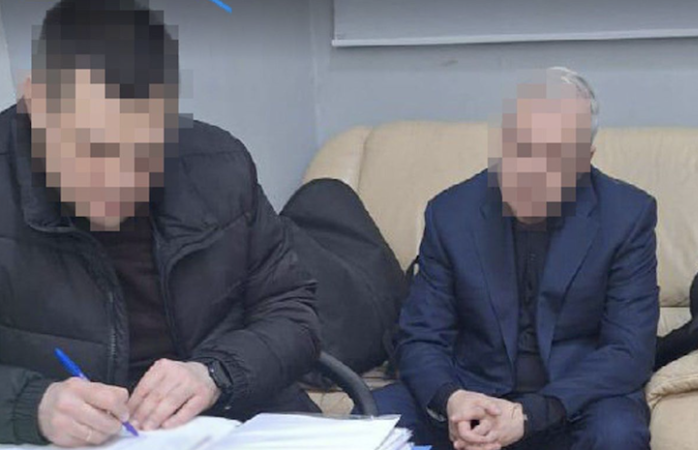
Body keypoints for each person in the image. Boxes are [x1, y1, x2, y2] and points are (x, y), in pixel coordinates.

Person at [0, 0, 320, 446]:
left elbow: (293, 314)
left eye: (145, 152)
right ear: (34, 103)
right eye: (94, 149)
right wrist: (30, 403)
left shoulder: (219, 164)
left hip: (236, 426)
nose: (120, 180)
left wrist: (215, 373)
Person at [374, 68, 659, 450]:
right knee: (378, 414)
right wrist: (451, 399)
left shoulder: (626, 216)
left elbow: (629, 351)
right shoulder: (451, 214)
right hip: (473, 392)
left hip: (573, 401)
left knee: (617, 433)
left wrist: (531, 414)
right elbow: (422, 336)